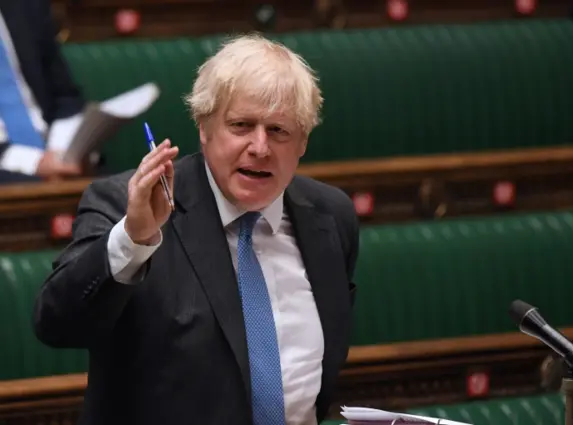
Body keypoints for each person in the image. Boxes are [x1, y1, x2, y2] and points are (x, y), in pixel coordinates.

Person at [32, 34, 360, 425]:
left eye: (279, 131)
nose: (260, 147)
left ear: (303, 141)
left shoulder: (330, 216)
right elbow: (58, 325)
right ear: (204, 127)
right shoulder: (128, 205)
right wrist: (134, 240)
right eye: (241, 125)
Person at [0, 0, 84, 183]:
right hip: (7, 169)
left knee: (121, 192)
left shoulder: (24, 6)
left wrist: (59, 152)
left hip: (56, 152)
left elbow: (66, 96)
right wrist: (35, 163)